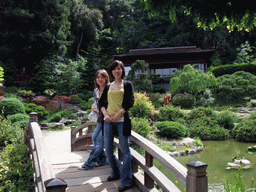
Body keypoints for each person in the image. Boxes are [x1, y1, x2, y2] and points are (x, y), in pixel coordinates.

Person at [99, 60, 134, 192]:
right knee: (108, 149)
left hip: (122, 120)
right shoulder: (108, 86)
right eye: (114, 69)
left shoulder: (127, 84)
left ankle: (126, 181)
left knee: (125, 151)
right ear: (111, 71)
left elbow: (131, 101)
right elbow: (101, 103)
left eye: (119, 68)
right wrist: (105, 115)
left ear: (122, 70)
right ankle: (116, 172)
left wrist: (120, 113)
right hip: (108, 121)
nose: (116, 71)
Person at [78, 69, 110, 170]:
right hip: (100, 119)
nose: (100, 79)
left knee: (99, 142)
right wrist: (93, 106)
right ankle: (102, 159)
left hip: (108, 119)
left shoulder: (110, 90)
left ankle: (88, 164)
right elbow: (95, 102)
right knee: (94, 138)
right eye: (98, 77)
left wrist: (101, 111)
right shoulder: (96, 91)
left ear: (106, 78)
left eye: (102, 77)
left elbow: (111, 106)